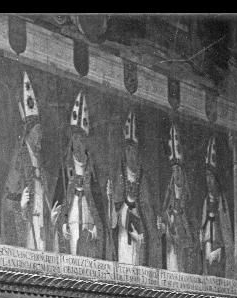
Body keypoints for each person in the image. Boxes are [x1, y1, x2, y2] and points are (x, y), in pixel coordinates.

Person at [3, 71, 56, 251]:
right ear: (29, 132)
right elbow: (11, 194)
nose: (40, 136)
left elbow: (45, 192)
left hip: (40, 218)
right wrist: (21, 204)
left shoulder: (39, 161)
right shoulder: (20, 157)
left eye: (41, 132)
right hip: (27, 220)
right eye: (37, 132)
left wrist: (51, 213)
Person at [52, 91, 108, 258]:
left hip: (89, 226)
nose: (78, 143)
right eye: (75, 139)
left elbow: (99, 207)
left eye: (81, 139)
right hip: (71, 223)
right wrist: (61, 224)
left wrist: (96, 229)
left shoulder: (93, 172)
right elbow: (58, 203)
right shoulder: (65, 169)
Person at [107, 110, 157, 267]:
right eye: (128, 150)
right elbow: (115, 212)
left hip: (140, 234)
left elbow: (147, 208)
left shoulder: (142, 179)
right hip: (124, 234)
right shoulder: (119, 176)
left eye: (133, 150)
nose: (131, 155)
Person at [157, 122, 197, 273]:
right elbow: (164, 217)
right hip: (171, 245)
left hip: (185, 246)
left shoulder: (188, 199)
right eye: (174, 171)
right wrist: (165, 226)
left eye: (178, 170)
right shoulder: (169, 198)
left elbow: (192, 224)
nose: (176, 174)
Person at [198, 137, 235, 278]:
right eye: (206, 176)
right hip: (207, 249)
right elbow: (204, 226)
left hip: (220, 253)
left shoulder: (223, 202)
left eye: (211, 176)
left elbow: (228, 237)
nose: (208, 180)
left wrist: (220, 251)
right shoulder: (206, 201)